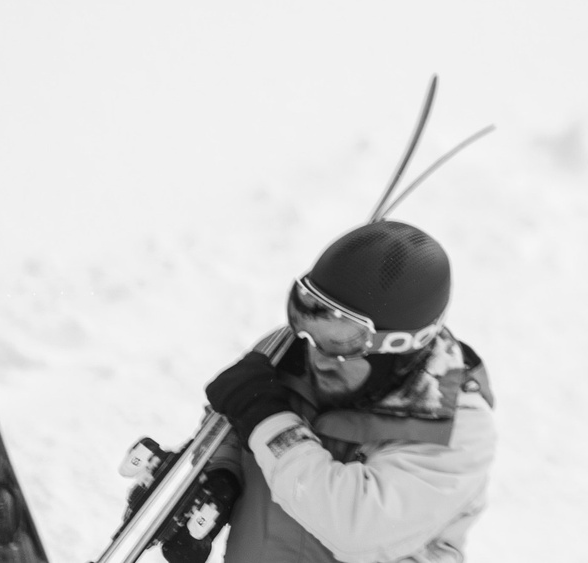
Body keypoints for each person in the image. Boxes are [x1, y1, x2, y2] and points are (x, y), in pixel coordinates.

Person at [148, 220, 494, 563]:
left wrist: (266, 421)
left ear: (399, 347)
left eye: (342, 342)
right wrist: (220, 473)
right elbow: (235, 425)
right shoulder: (288, 353)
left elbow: (355, 528)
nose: (318, 358)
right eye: (309, 327)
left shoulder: (455, 430)